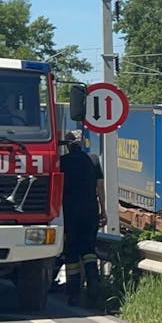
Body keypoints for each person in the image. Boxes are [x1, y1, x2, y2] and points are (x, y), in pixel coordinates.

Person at [57, 129, 105, 305]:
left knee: (71, 253)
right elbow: (100, 187)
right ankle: (93, 281)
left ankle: (73, 293)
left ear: (68, 145)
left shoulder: (62, 162)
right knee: (89, 249)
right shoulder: (93, 160)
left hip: (69, 213)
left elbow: (57, 189)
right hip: (90, 210)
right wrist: (104, 210)